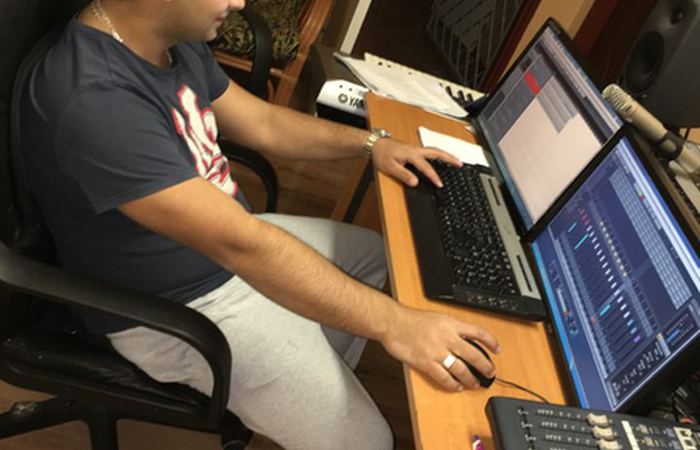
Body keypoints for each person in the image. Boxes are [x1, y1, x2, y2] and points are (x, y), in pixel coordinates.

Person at [21, 0, 500, 448]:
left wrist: (372, 144)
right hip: (178, 304)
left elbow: (264, 124)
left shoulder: (169, 41)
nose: (240, 4)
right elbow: (243, 245)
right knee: (368, 442)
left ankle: (308, 380)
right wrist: (395, 324)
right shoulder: (95, 100)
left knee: (378, 256)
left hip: (227, 248)